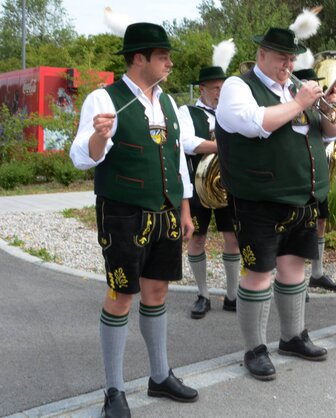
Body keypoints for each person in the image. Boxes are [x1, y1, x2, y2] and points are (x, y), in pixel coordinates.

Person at [69, 22, 199, 417]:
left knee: (156, 292)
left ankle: (159, 376)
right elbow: (81, 156)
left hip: (165, 212)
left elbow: (178, 161)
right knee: (121, 295)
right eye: (162, 56)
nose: (169, 63)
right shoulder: (103, 99)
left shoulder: (171, 104)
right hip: (123, 212)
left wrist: (185, 208)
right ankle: (114, 390)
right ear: (139, 58)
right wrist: (97, 137)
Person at [215, 26, 336, 380]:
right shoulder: (238, 87)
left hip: (301, 196)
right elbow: (253, 123)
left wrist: (328, 106)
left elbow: (334, 131)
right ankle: (254, 348)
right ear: (261, 55)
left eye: (291, 58)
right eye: (280, 57)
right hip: (259, 198)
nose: (287, 64)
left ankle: (292, 336)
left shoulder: (293, 89)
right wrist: (300, 101)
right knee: (258, 274)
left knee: (294, 269)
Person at [180, 64, 241, 319]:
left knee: (233, 239)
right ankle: (203, 294)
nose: (220, 92)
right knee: (197, 239)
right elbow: (186, 142)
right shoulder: (187, 111)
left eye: (224, 88)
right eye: (216, 88)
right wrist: (220, 146)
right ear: (202, 89)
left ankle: (232, 296)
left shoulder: (232, 112)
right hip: (198, 184)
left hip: (229, 185)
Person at [293, 68, 336, 294]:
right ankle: (296, 280)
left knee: (320, 221)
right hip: (297, 177)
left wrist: (327, 106)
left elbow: (332, 134)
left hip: (317, 178)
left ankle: (317, 272)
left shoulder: (317, 110)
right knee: (297, 230)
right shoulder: (292, 108)